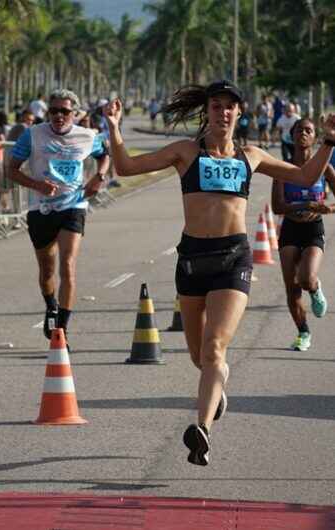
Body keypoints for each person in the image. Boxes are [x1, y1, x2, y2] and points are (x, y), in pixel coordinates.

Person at [103, 80, 335, 466]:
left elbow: (306, 177)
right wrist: (113, 128)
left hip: (233, 260)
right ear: (206, 112)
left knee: (214, 350)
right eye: (215, 106)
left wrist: (329, 141)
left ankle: (201, 431)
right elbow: (127, 167)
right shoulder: (185, 152)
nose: (222, 112)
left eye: (230, 107)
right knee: (199, 356)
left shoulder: (252, 156)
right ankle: (217, 391)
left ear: (239, 113)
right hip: (193, 259)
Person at [8, 89, 109, 346]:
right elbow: (11, 170)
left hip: (73, 205)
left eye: (64, 111)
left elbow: (104, 155)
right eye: (54, 111)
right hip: (40, 209)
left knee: (68, 266)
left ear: (74, 114)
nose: (59, 116)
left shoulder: (87, 136)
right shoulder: (33, 135)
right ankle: (51, 305)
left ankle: (61, 331)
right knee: (46, 270)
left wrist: (99, 177)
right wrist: (36, 184)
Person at [271, 118, 335, 351]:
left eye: (308, 130)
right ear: (292, 135)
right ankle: (303, 332)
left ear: (315, 137)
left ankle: (316, 289)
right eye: (299, 130)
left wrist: (328, 208)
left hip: (313, 229)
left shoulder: (325, 168)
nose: (303, 134)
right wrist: (305, 206)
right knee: (292, 287)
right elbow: (277, 206)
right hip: (290, 229)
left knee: (306, 278)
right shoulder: (283, 169)